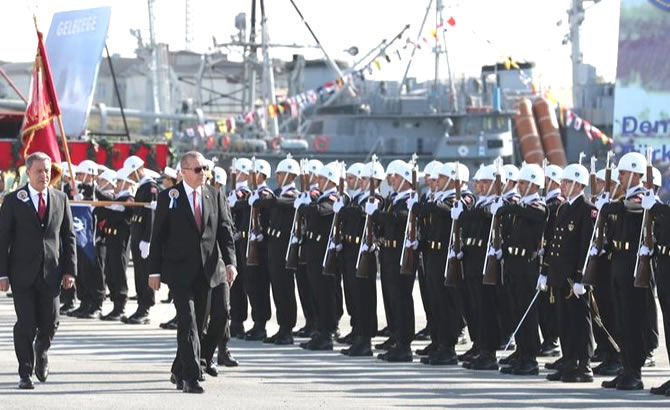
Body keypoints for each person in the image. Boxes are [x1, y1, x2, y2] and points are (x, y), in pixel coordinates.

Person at [148, 151, 237, 394]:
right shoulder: (169, 197)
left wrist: (230, 262)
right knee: (187, 322)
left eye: (205, 168)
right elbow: (158, 236)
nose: (203, 173)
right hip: (180, 271)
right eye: (198, 169)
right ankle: (190, 376)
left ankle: (182, 367)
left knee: (202, 322)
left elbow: (224, 231)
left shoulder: (214, 195)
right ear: (184, 172)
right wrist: (154, 271)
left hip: (208, 270)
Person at [0, 152, 77, 389]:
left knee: (51, 322)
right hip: (22, 273)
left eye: (47, 171)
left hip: (51, 273)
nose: (44, 175)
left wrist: (70, 270)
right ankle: (25, 372)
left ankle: (41, 350)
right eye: (39, 171)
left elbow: (68, 236)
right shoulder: (14, 200)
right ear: (28, 173)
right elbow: (3, 239)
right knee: (26, 323)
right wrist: (2, 274)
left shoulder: (60, 198)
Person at [123, 156, 159, 324]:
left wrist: (148, 239)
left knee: (145, 274)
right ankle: (141, 306)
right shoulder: (142, 187)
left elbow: (151, 214)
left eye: (132, 174)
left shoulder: (150, 187)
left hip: (145, 239)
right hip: (138, 236)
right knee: (139, 273)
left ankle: (145, 308)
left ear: (138, 170)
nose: (131, 177)